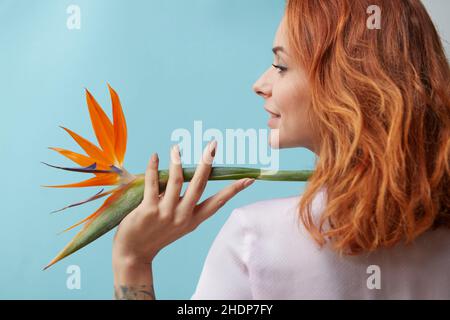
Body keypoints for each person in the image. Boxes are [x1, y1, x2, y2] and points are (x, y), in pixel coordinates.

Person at [112, 0, 450, 299]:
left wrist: (133, 261)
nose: (260, 85)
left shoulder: (255, 241)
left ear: (348, 84)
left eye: (282, 66)